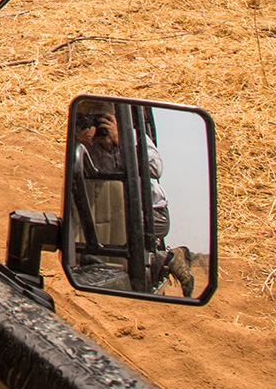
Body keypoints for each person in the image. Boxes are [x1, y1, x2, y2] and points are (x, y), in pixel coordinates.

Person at [68, 99, 194, 297]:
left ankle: (167, 259)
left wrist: (122, 140)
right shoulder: (84, 146)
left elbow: (156, 167)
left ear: (115, 119)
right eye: (89, 119)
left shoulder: (133, 136)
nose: (97, 125)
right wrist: (81, 142)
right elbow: (77, 183)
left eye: (102, 118)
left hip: (151, 213)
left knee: (119, 232)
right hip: (108, 210)